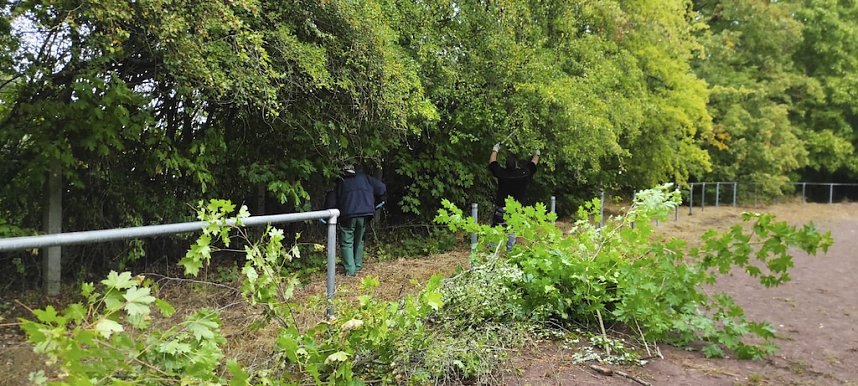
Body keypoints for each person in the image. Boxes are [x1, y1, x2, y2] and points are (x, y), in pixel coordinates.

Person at [325, 163, 386, 276]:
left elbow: (331, 201)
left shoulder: (340, 182)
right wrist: (379, 202)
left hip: (348, 214)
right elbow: (381, 188)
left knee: (347, 241)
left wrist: (326, 217)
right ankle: (358, 267)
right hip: (365, 213)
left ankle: (350, 271)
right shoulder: (364, 177)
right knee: (359, 240)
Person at [488, 143, 540, 250]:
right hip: (516, 209)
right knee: (512, 231)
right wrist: (537, 153)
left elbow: (492, 163)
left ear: (506, 165)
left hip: (501, 208)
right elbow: (533, 163)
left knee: (496, 229)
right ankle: (509, 251)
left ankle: (493, 250)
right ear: (516, 165)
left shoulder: (502, 173)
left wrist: (495, 150)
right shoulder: (523, 173)